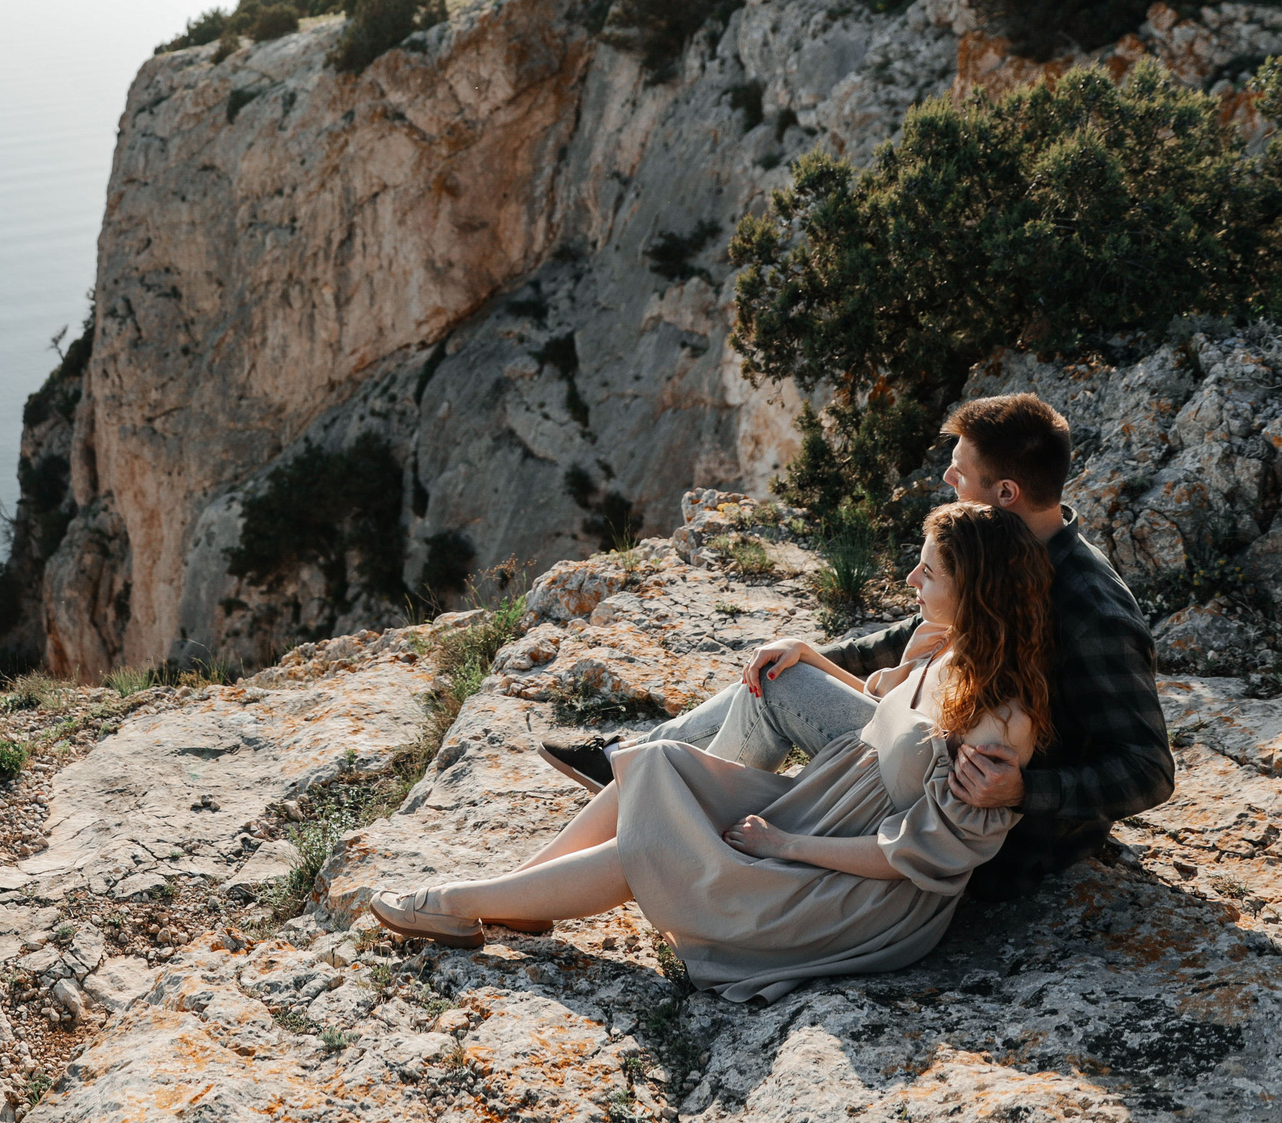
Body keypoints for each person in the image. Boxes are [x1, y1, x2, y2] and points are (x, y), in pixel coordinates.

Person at [369, 501, 1053, 1000]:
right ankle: (522, 891)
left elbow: (916, 856)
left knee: (659, 843)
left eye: (927, 572)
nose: (910, 581)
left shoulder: (1000, 724)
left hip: (860, 889)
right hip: (829, 807)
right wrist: (814, 656)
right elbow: (885, 721)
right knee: (658, 764)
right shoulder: (941, 645)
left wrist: (785, 844)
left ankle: (466, 902)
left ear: (974, 590)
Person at [536, 392, 1172, 900]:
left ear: (1006, 493)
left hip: (982, 823)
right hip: (931, 750)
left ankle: (664, 793)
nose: (948, 474)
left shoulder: (1092, 611)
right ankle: (645, 762)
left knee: (779, 688)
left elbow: (1148, 768)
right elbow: (910, 639)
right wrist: (816, 654)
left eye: (963, 468)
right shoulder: (1006, 551)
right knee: (783, 672)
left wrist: (1023, 793)